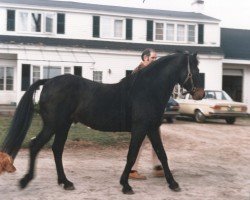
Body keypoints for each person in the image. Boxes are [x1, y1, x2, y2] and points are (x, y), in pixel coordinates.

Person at [128, 48, 164, 180]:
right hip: (141, 114)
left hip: (150, 113)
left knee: (157, 140)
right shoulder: (138, 71)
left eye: (156, 58)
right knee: (140, 141)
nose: (156, 60)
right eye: (153, 58)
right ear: (145, 58)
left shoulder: (152, 72)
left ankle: (158, 166)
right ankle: (132, 170)